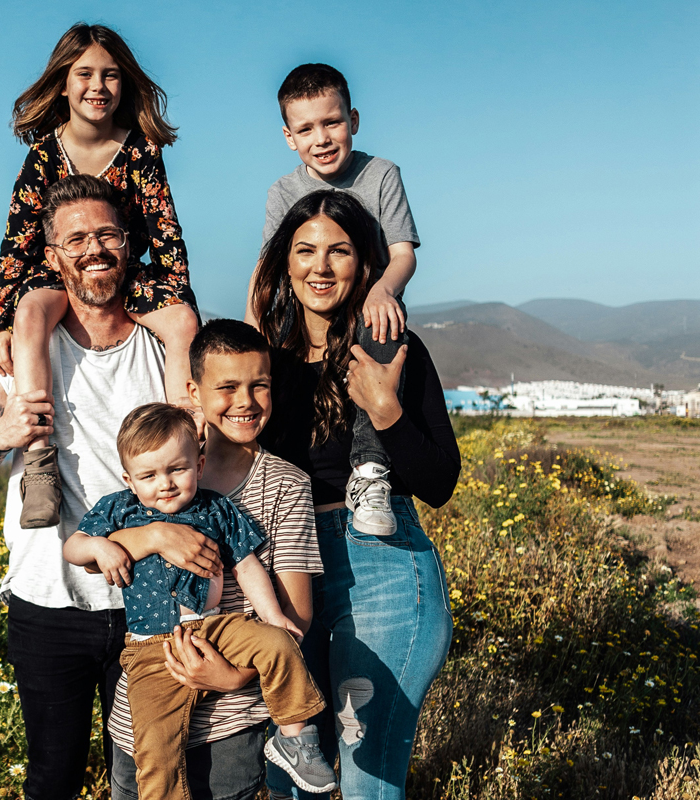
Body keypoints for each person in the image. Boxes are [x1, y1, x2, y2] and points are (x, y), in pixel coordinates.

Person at [0, 174, 187, 800]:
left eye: (106, 234)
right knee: (52, 778)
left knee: (149, 779)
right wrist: (0, 435)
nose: (93, 249)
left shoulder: (163, 347)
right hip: (48, 601)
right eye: (75, 239)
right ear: (53, 257)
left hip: (151, 600)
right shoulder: (12, 358)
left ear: (128, 245)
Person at [250, 189, 460, 800]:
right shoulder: (263, 361)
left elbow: (440, 483)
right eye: (305, 250)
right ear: (283, 263)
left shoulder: (395, 349)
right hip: (285, 562)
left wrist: (386, 410)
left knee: (369, 775)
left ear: (364, 264)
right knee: (291, 772)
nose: (320, 266)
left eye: (338, 251)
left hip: (384, 565)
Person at [96, 319, 328, 800]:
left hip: (232, 720)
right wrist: (158, 536)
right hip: (140, 718)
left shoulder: (286, 484)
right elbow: (93, 553)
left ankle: (297, 743)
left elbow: (295, 616)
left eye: (258, 385)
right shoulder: (152, 475)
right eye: (226, 387)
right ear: (193, 391)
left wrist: (230, 676)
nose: (245, 401)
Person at [0, 23, 200, 530]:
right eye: (84, 74)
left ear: (124, 84)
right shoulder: (42, 155)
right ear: (63, 83)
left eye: (110, 75)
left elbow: (165, 232)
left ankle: (189, 447)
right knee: (32, 310)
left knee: (183, 324)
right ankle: (40, 463)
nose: (98, 86)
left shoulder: (142, 150)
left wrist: (179, 302)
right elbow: (16, 244)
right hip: (57, 273)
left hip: (129, 273)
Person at [246, 63, 420, 539]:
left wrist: (384, 288)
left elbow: (403, 255)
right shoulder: (283, 191)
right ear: (288, 137)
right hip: (305, 318)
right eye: (306, 128)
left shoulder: (381, 174)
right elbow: (267, 269)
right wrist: (250, 333)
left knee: (381, 325)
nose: (320, 138)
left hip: (368, 312)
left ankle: (369, 472)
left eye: (332, 122)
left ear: (354, 120)